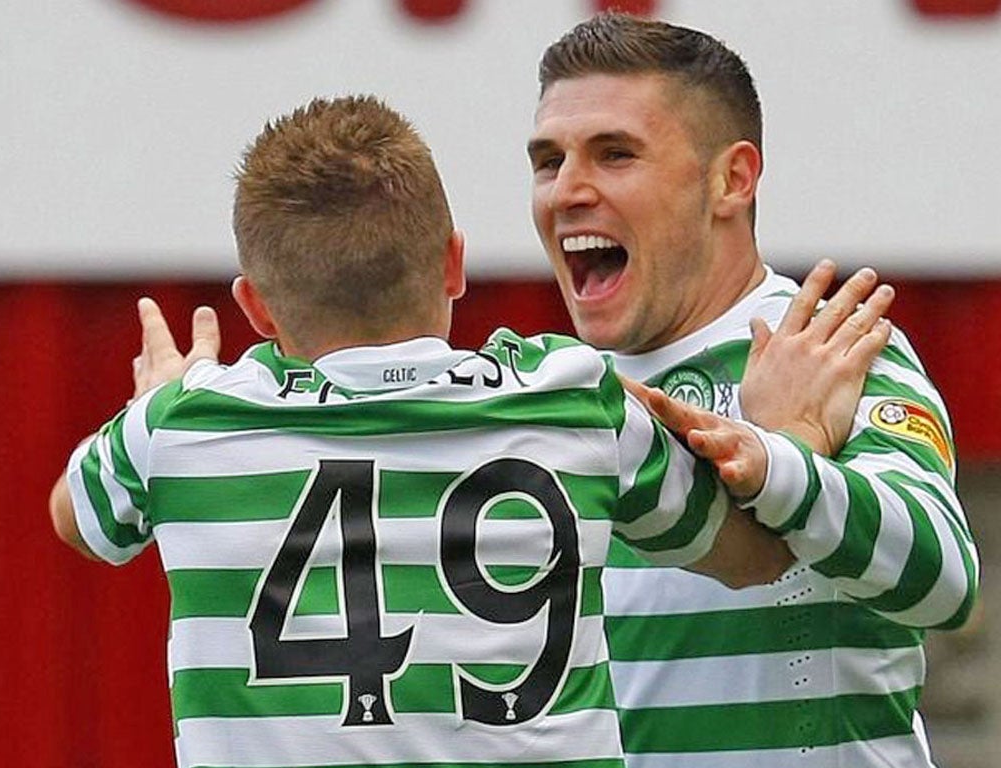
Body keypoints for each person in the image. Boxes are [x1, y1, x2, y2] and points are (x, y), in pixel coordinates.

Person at [48, 94, 857, 768]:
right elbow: (755, 555)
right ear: (454, 263)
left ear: (255, 308)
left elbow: (76, 520)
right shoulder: (574, 399)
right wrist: (793, 436)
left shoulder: (181, 426)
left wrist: (153, 401)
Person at [528, 12, 979, 768]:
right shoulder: (555, 391)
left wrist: (775, 465)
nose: (568, 190)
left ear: (730, 179)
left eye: (615, 155)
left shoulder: (823, 347)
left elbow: (943, 580)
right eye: (548, 161)